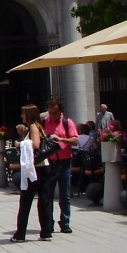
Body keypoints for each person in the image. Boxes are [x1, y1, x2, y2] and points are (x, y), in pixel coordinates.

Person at [14, 105, 55, 241]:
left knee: (25, 200)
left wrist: (20, 144)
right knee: (44, 199)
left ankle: (20, 234)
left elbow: (36, 144)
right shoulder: (39, 126)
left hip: (36, 168)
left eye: (23, 113)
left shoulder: (33, 126)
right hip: (43, 167)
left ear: (29, 114)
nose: (21, 116)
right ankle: (46, 232)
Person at [43, 97, 78, 234]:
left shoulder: (67, 122)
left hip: (64, 161)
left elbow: (75, 141)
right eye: (50, 113)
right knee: (48, 194)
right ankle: (48, 223)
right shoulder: (44, 122)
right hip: (50, 161)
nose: (52, 116)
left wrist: (61, 139)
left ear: (60, 111)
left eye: (55, 113)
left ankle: (65, 222)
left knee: (65, 194)